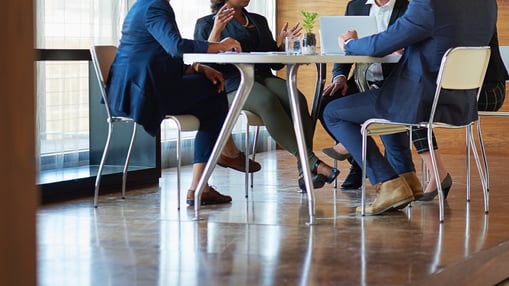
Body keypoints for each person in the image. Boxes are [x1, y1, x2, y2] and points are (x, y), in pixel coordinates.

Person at [322, 0, 497, 215]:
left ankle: (388, 183)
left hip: (420, 98)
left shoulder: (429, 4)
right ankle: (407, 180)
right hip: (461, 100)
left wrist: (348, 44)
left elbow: (379, 45)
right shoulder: (488, 4)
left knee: (333, 113)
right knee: (386, 108)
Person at [106, 0, 247, 206]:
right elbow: (176, 47)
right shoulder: (156, 7)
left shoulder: (141, 5)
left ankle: (203, 184)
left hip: (131, 90)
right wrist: (220, 46)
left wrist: (197, 68)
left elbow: (158, 55)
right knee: (216, 93)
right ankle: (201, 185)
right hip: (143, 94)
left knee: (212, 97)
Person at [194, 0, 339, 190]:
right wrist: (217, 30)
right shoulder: (206, 23)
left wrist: (282, 46)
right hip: (232, 83)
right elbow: (208, 65)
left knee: (297, 99)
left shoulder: (258, 20)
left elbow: (275, 64)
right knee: (267, 101)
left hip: (262, 77)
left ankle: (305, 170)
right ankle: (311, 163)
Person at [319, 0, 408, 190]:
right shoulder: (356, 6)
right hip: (360, 80)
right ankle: (359, 161)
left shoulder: (408, 6)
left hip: (392, 83)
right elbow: (343, 49)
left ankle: (378, 170)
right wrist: (340, 77)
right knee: (326, 102)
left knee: (393, 139)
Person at [414, 28, 509, 201]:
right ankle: (432, 175)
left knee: (412, 106)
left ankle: (437, 175)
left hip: (487, 89)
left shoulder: (467, 11)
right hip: (463, 86)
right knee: (412, 104)